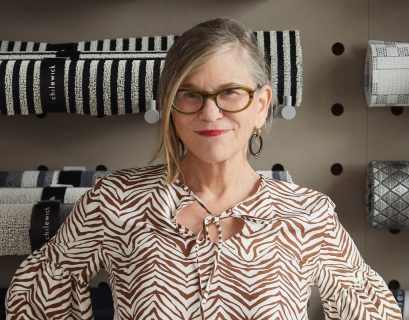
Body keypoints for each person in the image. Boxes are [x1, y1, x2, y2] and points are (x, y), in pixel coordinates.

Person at [6, 17, 402, 320]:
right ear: (170, 107)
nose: (210, 112)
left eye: (230, 92)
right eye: (190, 94)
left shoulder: (307, 214)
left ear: (261, 105)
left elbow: (374, 309)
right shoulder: (116, 201)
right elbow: (32, 294)